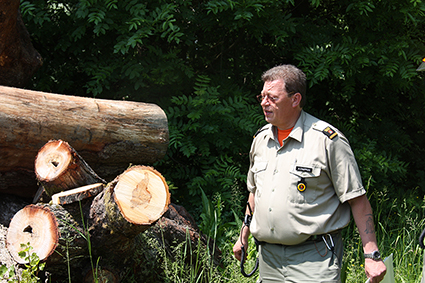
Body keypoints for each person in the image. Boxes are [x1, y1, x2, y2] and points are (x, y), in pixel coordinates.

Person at [233, 64, 387, 282]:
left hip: (314, 258)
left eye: (272, 98)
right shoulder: (261, 140)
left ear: (295, 99)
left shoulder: (326, 140)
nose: (264, 103)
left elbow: (357, 200)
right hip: (269, 259)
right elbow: (254, 193)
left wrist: (372, 254)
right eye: (262, 96)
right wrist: (243, 235)